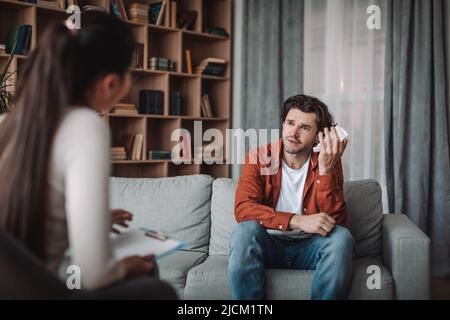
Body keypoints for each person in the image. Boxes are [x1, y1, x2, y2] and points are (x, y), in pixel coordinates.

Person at [0, 11, 170, 293]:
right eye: (131, 74)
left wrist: (95, 220)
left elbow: (23, 236)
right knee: (157, 285)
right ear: (110, 83)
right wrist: (126, 266)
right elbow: (95, 275)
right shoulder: (85, 126)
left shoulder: (7, 123)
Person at [229, 94, 354, 300]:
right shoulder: (259, 157)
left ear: (317, 136)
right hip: (269, 245)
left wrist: (325, 170)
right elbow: (243, 209)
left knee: (341, 237)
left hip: (310, 248)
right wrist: (295, 220)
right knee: (244, 231)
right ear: (283, 124)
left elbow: (336, 220)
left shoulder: (328, 161)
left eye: (304, 127)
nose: (293, 133)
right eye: (290, 123)